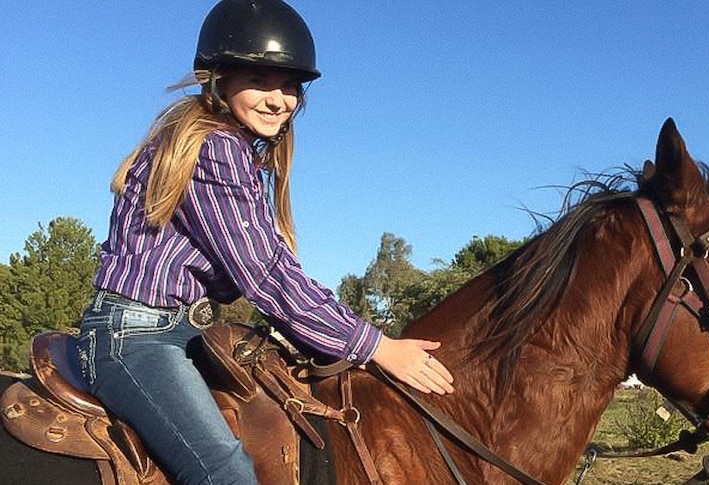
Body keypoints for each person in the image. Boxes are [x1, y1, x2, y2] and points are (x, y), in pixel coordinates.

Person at [74, 1, 455, 483]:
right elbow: (266, 274)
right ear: (219, 80)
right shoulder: (214, 149)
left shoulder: (230, 151)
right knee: (226, 470)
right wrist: (377, 347)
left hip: (186, 332)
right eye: (262, 80)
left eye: (291, 84)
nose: (280, 99)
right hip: (135, 337)